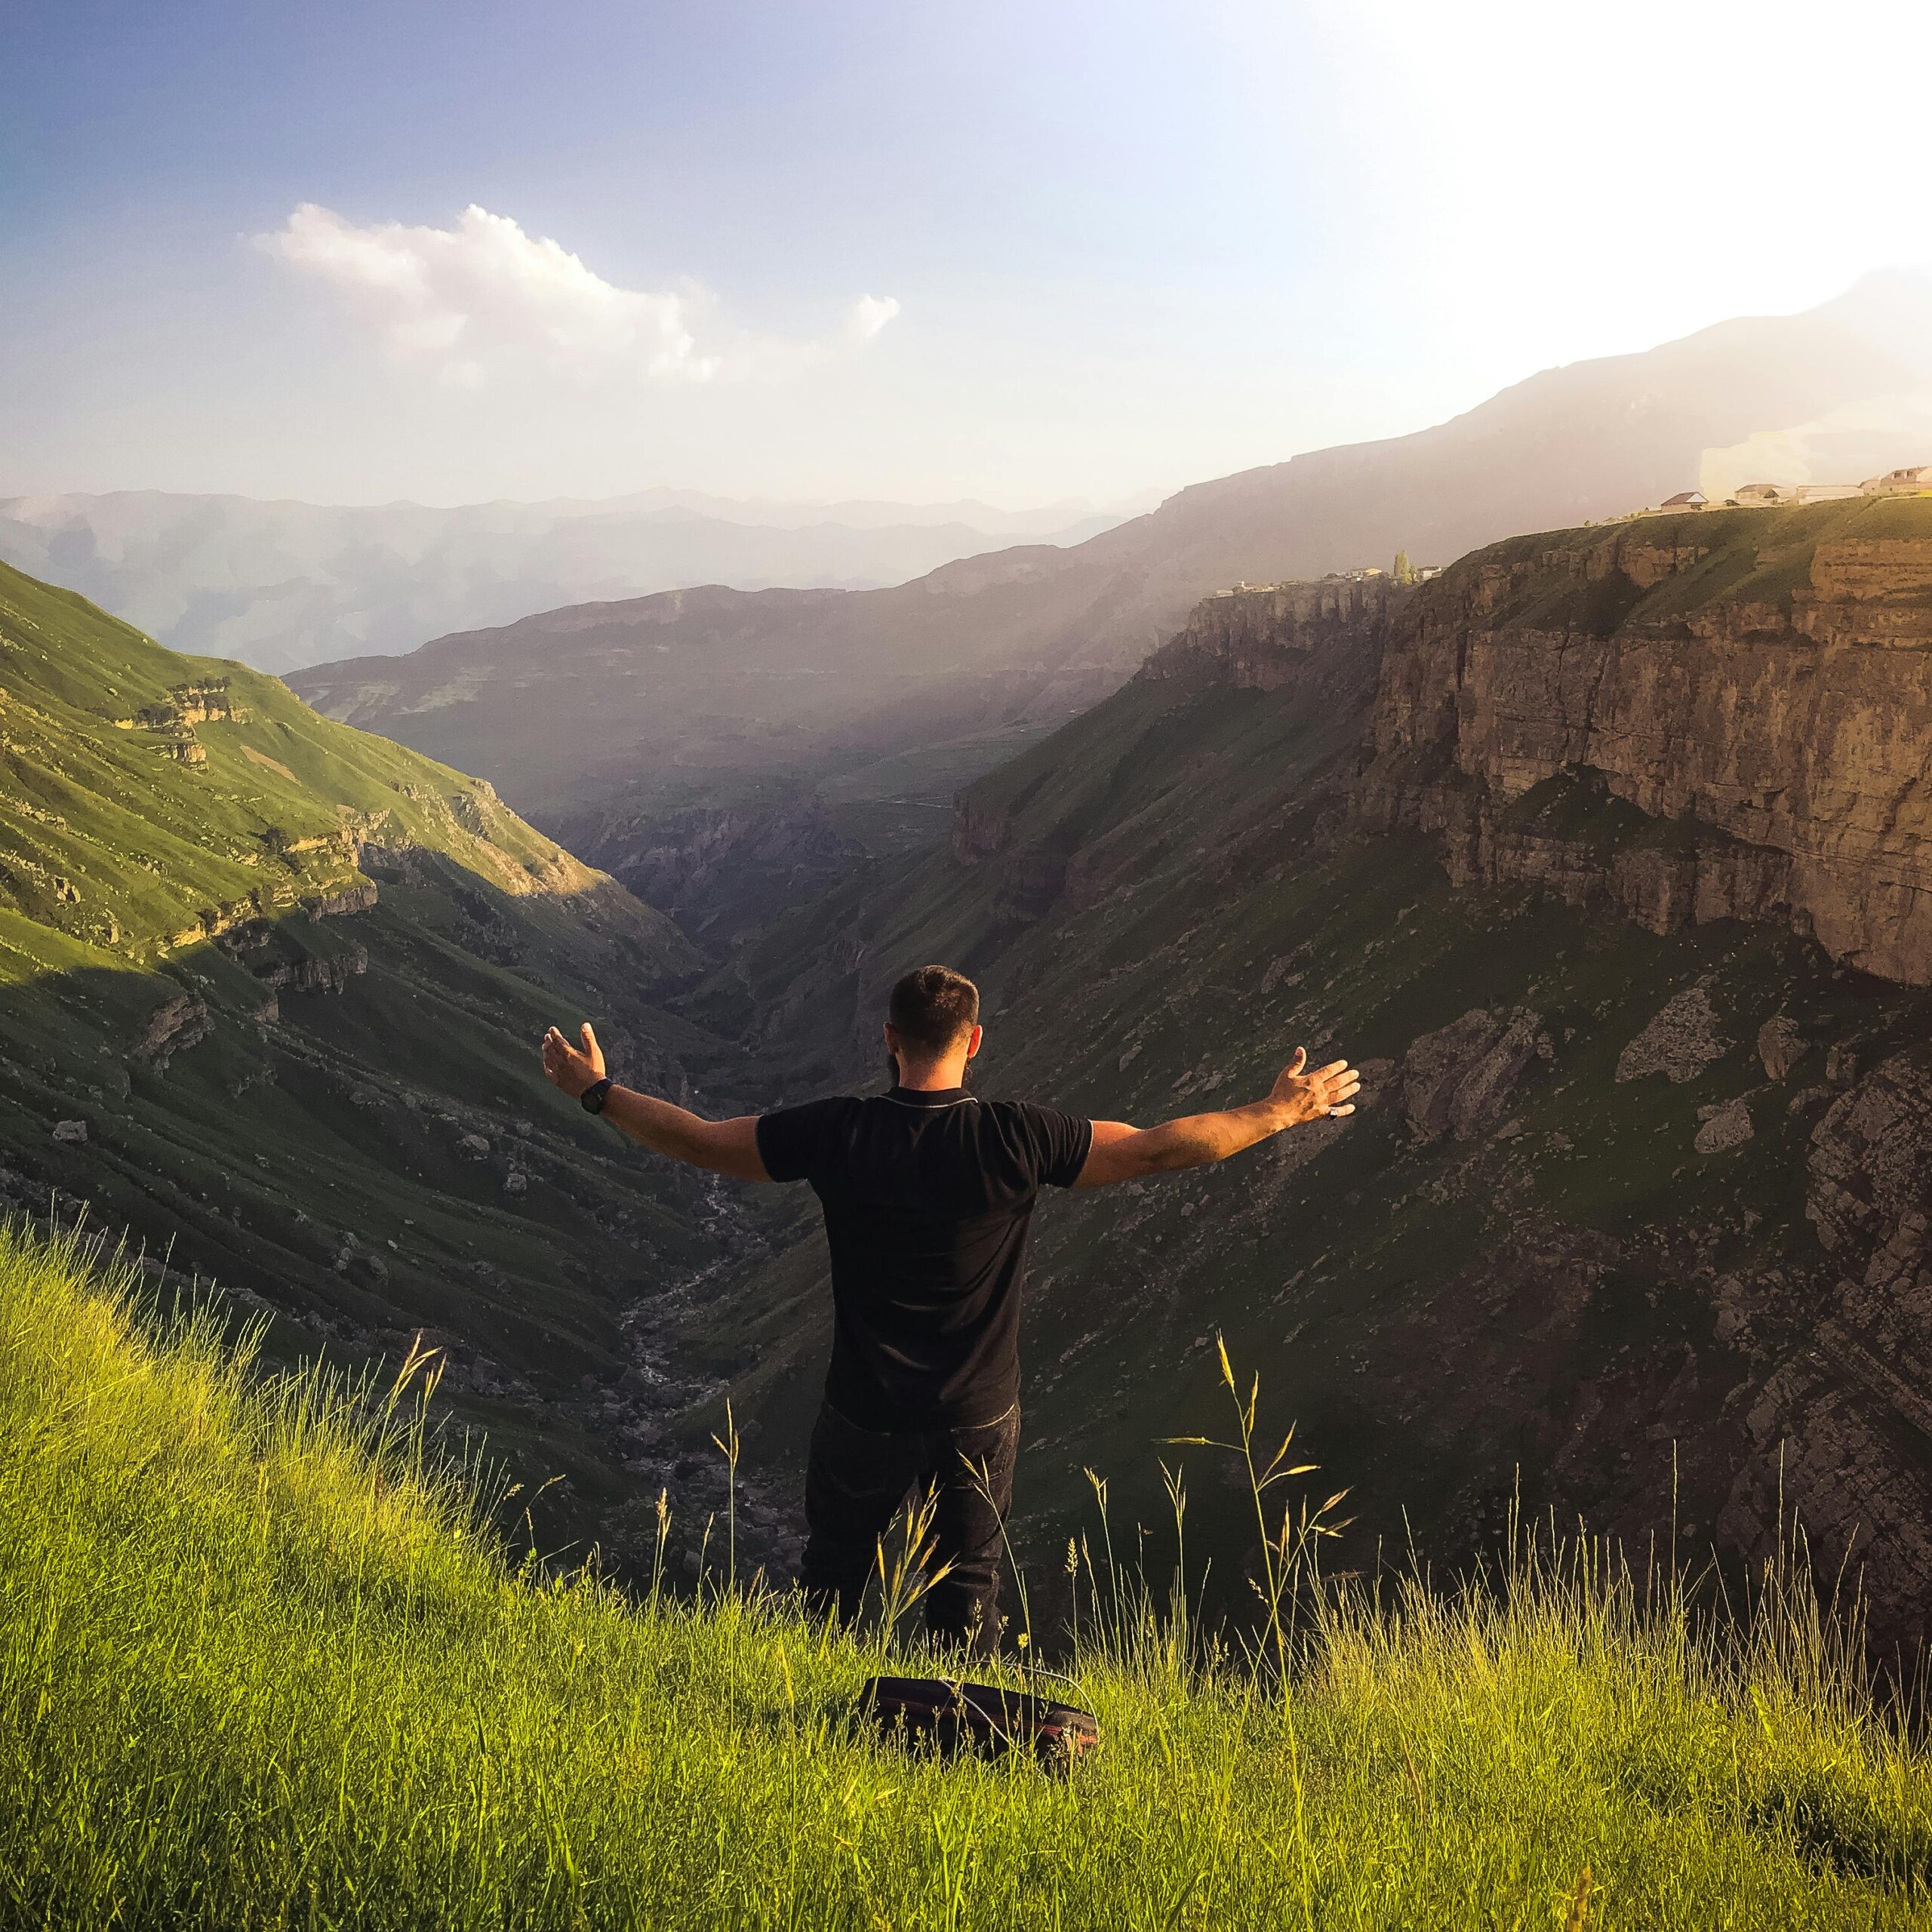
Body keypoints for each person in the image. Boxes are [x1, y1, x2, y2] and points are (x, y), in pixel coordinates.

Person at [540, 961, 1358, 1653]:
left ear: (889, 1039)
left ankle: (805, 1725)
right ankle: (953, 1738)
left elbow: (698, 1138)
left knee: (831, 1574)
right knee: (967, 1591)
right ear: (973, 1041)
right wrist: (1279, 1110)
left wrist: (597, 1091)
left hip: (861, 1409)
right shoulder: (1019, 1136)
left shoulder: (838, 1131)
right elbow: (1155, 1149)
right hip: (976, 1413)